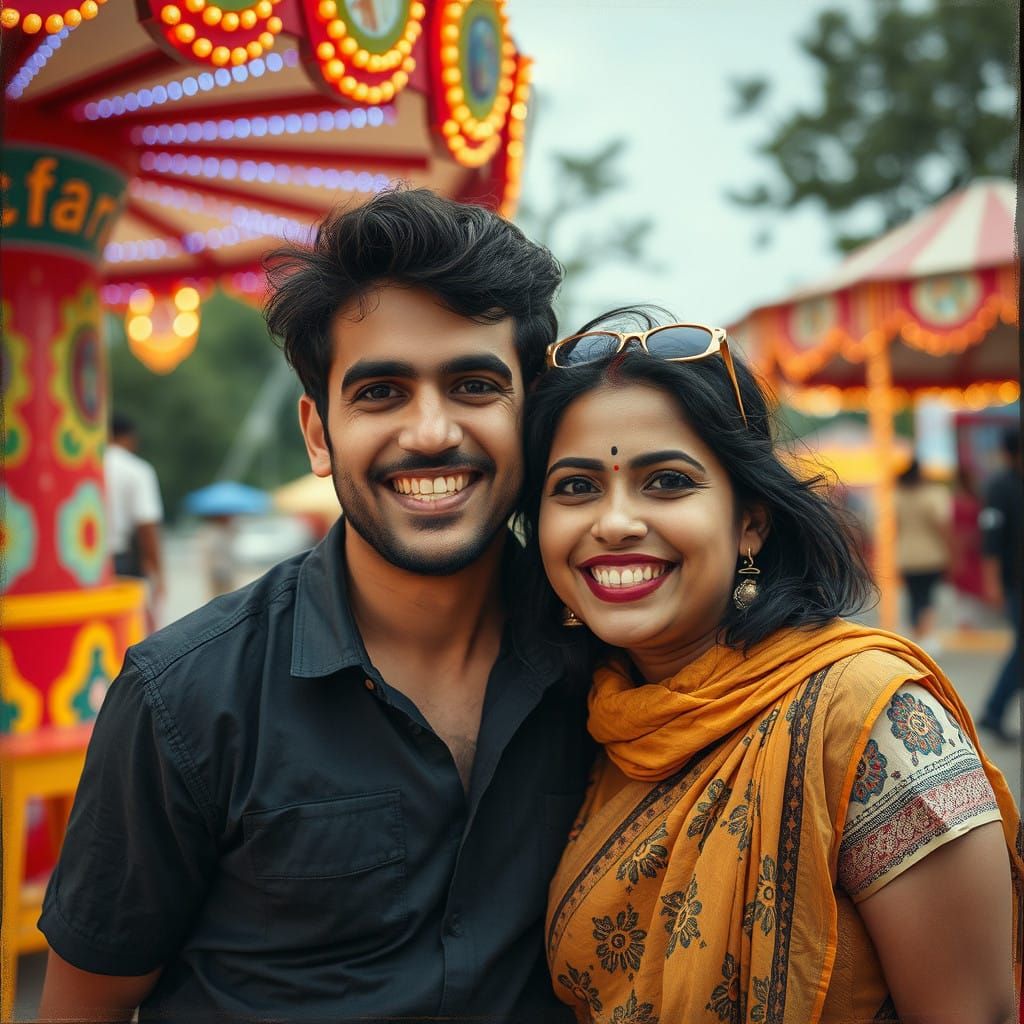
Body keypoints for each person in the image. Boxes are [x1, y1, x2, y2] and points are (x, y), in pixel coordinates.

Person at [37, 188, 592, 1023]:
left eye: (475, 384)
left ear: (533, 412)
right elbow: (87, 1006)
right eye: (380, 393)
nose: (432, 431)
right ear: (317, 432)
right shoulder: (186, 698)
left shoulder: (609, 661)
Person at [516, 308, 1021, 1023]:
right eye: (576, 487)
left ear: (750, 518)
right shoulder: (603, 721)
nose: (616, 521)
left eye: (666, 482)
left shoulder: (873, 718)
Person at [978, 427, 1022, 743]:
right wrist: (991, 583)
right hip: (1015, 583)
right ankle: (993, 711)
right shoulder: (999, 486)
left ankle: (994, 711)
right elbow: (990, 541)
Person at [104, 411, 165, 612]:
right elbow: (147, 526)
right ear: (129, 437)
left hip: (88, 567)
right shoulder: (137, 470)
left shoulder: (86, 465)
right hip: (123, 564)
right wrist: (158, 574)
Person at [893, 457, 951, 649]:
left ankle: (915, 634)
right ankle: (926, 634)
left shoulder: (897, 495)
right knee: (927, 597)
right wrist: (950, 550)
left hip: (905, 555)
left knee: (913, 596)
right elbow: (942, 524)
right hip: (931, 554)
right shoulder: (932, 494)